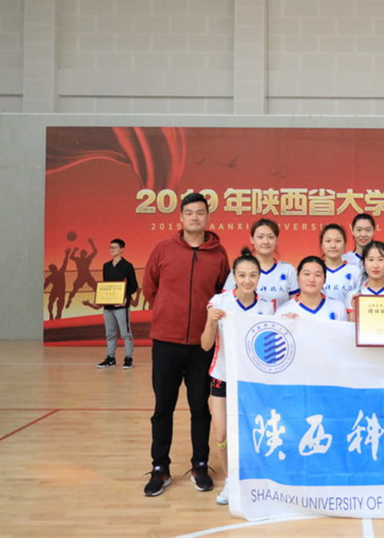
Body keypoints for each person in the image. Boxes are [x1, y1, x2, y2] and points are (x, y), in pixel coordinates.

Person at [141, 192, 230, 497]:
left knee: (200, 408)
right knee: (162, 408)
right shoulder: (163, 249)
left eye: (200, 212)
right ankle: (159, 468)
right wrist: (169, 312)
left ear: (207, 217)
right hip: (166, 342)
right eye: (189, 212)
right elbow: (150, 288)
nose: (194, 217)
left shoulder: (219, 255)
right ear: (181, 217)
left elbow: (221, 294)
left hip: (202, 346)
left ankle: (200, 465)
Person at [201, 248, 274, 506]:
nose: (247, 280)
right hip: (222, 377)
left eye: (253, 275)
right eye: (242, 275)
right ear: (234, 276)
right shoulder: (219, 302)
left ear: (259, 277)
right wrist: (210, 322)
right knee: (221, 435)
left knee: (252, 433)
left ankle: (254, 479)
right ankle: (230, 480)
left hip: (251, 381)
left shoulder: (266, 307)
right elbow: (205, 345)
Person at [223, 218, 298, 309]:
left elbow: (295, 305)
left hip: (281, 318)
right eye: (260, 237)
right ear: (252, 239)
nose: (265, 242)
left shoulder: (288, 270)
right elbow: (225, 301)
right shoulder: (240, 268)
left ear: (276, 240)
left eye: (270, 237)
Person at [95, 239, 139, 370]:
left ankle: (128, 358)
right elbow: (106, 286)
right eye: (110, 248)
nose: (111, 250)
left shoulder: (127, 266)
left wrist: (125, 297)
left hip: (121, 306)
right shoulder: (106, 266)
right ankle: (110, 358)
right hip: (108, 306)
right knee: (110, 333)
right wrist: (102, 298)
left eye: (114, 247)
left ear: (121, 249)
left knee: (126, 334)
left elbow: (133, 285)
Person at [346, 240, 384, 321]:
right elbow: (351, 327)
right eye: (371, 260)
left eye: (380, 259)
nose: (375, 265)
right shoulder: (354, 295)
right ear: (363, 263)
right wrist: (355, 309)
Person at [276, 256, 348, 321]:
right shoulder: (284, 311)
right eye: (307, 274)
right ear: (297, 277)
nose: (311, 279)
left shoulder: (338, 307)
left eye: (317, 275)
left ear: (325, 279)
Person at [320, 223, 362, 304]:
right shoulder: (316, 271)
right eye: (328, 241)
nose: (333, 245)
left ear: (345, 244)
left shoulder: (355, 271)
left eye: (338, 241)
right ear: (322, 245)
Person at [64, 238, 99, 308]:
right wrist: (91, 243)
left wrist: (75, 250)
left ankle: (99, 301)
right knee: (74, 290)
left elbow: (95, 252)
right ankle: (69, 300)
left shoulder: (82, 259)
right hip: (83, 276)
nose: (82, 254)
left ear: (83, 254)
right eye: (82, 253)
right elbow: (71, 257)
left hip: (86, 276)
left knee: (96, 288)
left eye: (83, 253)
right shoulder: (83, 259)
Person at [44, 248, 70, 320]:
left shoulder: (58, 273)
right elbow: (45, 286)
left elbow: (65, 263)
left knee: (58, 305)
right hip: (57, 290)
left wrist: (67, 255)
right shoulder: (52, 276)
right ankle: (52, 314)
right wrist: (67, 255)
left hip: (60, 290)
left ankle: (57, 315)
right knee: (51, 303)